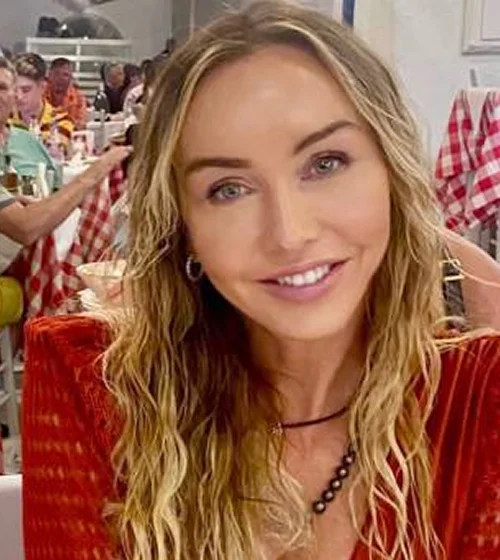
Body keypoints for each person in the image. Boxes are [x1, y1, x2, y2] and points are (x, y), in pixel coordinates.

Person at [22, 2, 500, 560]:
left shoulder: (477, 405)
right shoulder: (100, 393)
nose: (289, 234)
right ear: (184, 228)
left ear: (392, 173)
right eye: (228, 189)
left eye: (325, 163)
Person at [11, 53, 74, 152]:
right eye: (14, 90)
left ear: (42, 88)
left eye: (26, 90)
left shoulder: (60, 120)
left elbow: (56, 154)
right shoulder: (5, 119)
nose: (19, 96)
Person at [45, 57, 87, 129]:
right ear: (49, 76)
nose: (60, 78)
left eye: (65, 74)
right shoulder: (39, 95)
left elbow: (81, 125)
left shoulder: (79, 98)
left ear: (71, 78)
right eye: (56, 73)